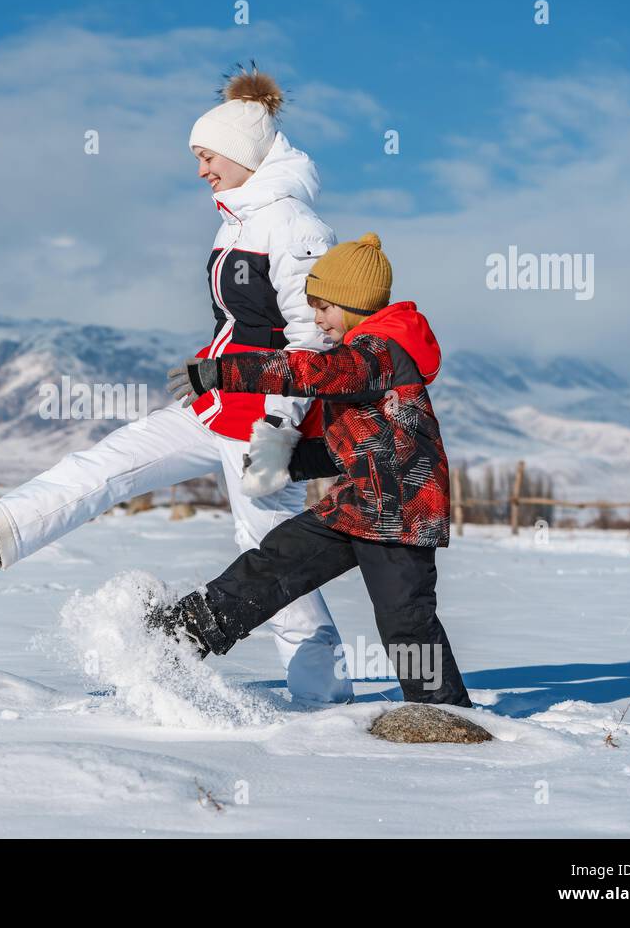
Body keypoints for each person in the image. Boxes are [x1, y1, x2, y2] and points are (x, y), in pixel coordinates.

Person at [0, 64, 353, 706]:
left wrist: (280, 431)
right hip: (217, 401)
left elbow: (313, 340)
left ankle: (324, 701)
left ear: (241, 152)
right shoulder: (237, 218)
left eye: (207, 156)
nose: (200, 169)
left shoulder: (294, 227)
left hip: (262, 420)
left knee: (271, 554)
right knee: (108, 465)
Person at [158, 232, 473, 707]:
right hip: (360, 504)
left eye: (324, 308)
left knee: (404, 621)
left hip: (402, 515)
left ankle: (444, 713)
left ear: (355, 303)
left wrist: (224, 372)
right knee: (276, 562)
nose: (317, 319)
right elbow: (355, 445)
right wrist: (291, 463)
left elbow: (312, 372)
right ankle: (178, 635)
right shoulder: (367, 357)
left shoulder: (380, 353)